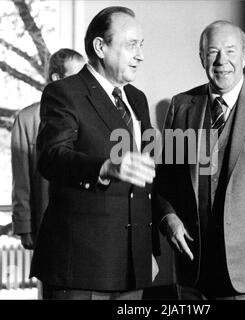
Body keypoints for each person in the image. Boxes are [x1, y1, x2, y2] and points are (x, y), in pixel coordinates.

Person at [154, 20, 245, 300]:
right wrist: (168, 217)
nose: (222, 61)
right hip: (194, 265)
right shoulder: (181, 105)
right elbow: (166, 179)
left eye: (231, 51)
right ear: (201, 58)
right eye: (213, 52)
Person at [30, 6, 159, 300]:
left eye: (141, 45)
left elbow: (146, 177)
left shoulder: (137, 99)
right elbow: (51, 157)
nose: (140, 55)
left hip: (132, 264)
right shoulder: (64, 92)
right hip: (80, 266)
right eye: (130, 45)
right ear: (100, 47)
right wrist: (105, 167)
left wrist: (149, 245)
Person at [11, 48, 85, 249]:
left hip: (84, 225)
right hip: (47, 225)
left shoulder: (88, 117)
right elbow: (21, 180)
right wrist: (24, 226)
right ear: (56, 78)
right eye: (76, 76)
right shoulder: (27, 119)